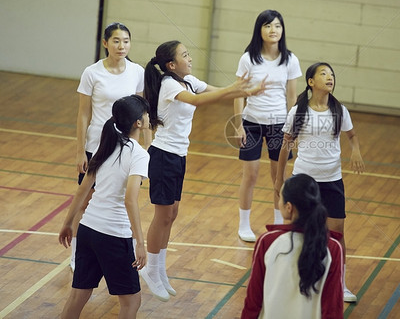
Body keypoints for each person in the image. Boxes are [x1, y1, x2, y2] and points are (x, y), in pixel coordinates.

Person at [140, 40, 267, 302]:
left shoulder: (187, 80)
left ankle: (159, 268)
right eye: (185, 55)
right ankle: (150, 270)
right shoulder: (169, 84)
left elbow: (216, 91)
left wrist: (248, 92)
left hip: (178, 156)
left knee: (172, 214)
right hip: (163, 156)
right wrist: (235, 88)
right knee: (162, 215)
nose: (190, 58)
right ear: (171, 64)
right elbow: (199, 100)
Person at [275, 62, 365, 303]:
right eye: (323, 73)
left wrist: (355, 150)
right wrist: (279, 179)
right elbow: (285, 146)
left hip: (332, 181)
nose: (330, 77)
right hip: (304, 181)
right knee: (299, 232)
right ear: (311, 82)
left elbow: (352, 135)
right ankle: (294, 279)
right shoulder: (298, 112)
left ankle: (340, 284)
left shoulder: (339, 110)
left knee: (336, 235)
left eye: (332, 74)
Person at [58, 95, 150, 319]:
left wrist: (68, 224)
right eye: (146, 114)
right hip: (114, 236)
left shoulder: (107, 144)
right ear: (138, 122)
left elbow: (82, 190)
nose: (149, 117)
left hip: (88, 229)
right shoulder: (139, 155)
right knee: (132, 301)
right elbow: (130, 200)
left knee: (78, 295)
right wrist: (140, 241)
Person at [72, 22, 151, 271]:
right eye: (116, 41)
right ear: (105, 43)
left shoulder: (137, 71)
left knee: (121, 198)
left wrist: (142, 150)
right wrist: (79, 150)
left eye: (126, 41)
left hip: (125, 149)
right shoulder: (92, 73)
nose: (122, 46)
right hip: (97, 145)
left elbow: (141, 112)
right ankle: (76, 253)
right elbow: (83, 114)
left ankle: (115, 251)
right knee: (85, 199)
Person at [234, 9, 302, 243]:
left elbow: (292, 98)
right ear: (259, 30)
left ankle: (278, 225)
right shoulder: (248, 58)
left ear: (282, 30)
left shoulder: (290, 59)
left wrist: (293, 129)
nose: (273, 30)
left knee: (279, 177)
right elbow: (238, 93)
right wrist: (238, 124)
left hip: (279, 125)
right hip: (251, 123)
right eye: (268, 26)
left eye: (277, 26)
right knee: (250, 176)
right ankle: (244, 225)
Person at [241, 174, 344, 319]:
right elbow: (333, 308)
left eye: (280, 198)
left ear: (289, 207)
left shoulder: (267, 241)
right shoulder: (333, 248)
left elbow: (253, 300)